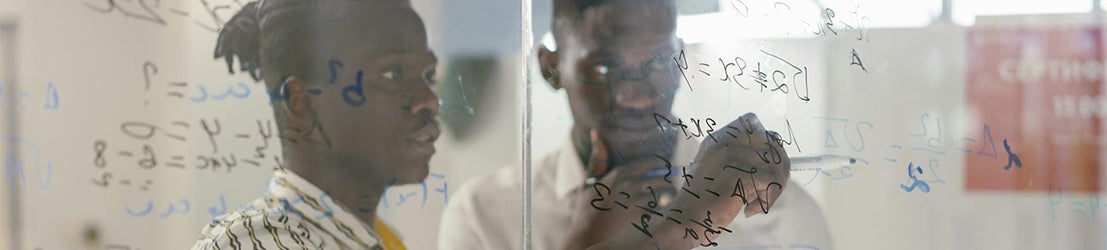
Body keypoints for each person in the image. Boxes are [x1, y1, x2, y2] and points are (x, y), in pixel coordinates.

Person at [438, 0, 833, 249]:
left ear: (679, 58)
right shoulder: (485, 217)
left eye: (659, 62)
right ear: (551, 67)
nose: (638, 95)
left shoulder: (774, 214)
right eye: (604, 66)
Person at [190, 0, 441, 249]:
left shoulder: (384, 242)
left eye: (429, 76)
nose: (429, 101)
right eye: (392, 74)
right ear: (302, 102)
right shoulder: (259, 242)